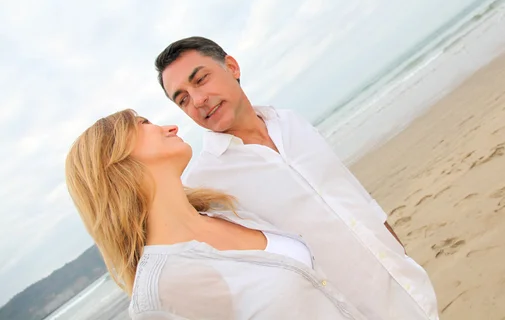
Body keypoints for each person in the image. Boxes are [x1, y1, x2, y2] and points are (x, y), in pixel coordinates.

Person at [155, 36, 440, 319]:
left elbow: (349, 192)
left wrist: (398, 251)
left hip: (411, 289)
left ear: (232, 67)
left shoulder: (290, 121)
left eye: (201, 80)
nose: (198, 100)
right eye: (183, 99)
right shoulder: (203, 185)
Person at [65, 109, 397, 319]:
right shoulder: (161, 293)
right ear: (115, 158)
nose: (170, 127)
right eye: (144, 124)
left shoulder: (225, 211)